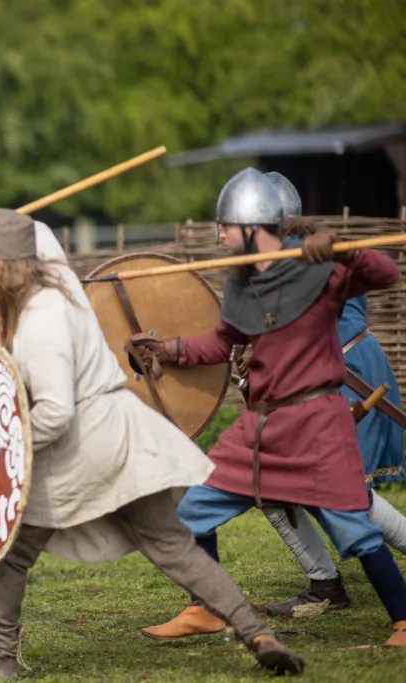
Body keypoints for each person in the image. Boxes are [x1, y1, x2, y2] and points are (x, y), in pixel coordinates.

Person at [0, 208, 302, 681]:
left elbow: (55, 412)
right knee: (174, 547)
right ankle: (257, 634)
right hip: (125, 436)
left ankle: (0, 657)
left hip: (82, 447)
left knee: (7, 551)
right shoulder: (60, 283)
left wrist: (5, 451)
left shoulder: (39, 324)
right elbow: (38, 234)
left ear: (4, 265)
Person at [132, 167, 406, 648]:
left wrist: (341, 249)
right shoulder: (241, 284)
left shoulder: (320, 269)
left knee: (355, 529)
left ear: (253, 226)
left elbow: (388, 273)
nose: (218, 234)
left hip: (318, 424)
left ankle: (404, 621)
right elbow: (221, 343)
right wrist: (168, 349)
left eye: (225, 225)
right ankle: (206, 608)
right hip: (262, 429)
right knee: (192, 510)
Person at [247, 172, 406, 617]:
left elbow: (379, 269)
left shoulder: (317, 251)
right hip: (319, 381)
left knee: (344, 492)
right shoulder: (269, 260)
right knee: (276, 486)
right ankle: (324, 585)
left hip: (348, 374)